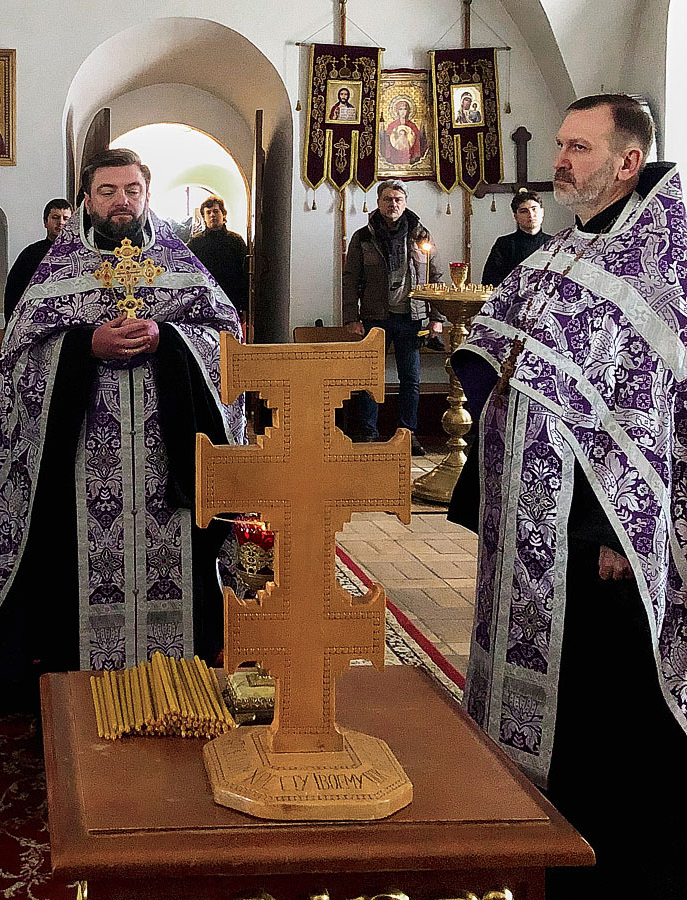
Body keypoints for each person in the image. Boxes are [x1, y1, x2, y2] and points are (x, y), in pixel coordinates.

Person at [447, 94, 687, 897]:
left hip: (601, 539)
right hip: (529, 522)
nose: (560, 159)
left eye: (579, 147)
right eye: (560, 143)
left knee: (601, 710)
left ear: (628, 160)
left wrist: (624, 530)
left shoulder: (666, 260)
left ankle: (606, 859)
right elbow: (497, 352)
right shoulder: (562, 250)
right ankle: (526, 830)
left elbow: (662, 410)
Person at [0, 148, 245, 676]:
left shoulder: (180, 265)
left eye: (132, 190)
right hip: (80, 461)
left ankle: (175, 677)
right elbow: (19, 358)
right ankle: (79, 684)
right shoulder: (58, 272)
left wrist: (171, 338)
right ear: (87, 199)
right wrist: (84, 346)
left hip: (168, 459)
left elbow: (227, 341)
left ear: (147, 194)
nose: (122, 201)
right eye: (108, 191)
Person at [342, 179, 442, 454]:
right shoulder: (363, 237)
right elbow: (350, 279)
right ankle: (368, 432)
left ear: (405, 203)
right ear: (378, 202)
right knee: (370, 377)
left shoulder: (420, 234)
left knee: (410, 378)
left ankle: (407, 434)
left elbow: (434, 275)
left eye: (398, 199)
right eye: (387, 199)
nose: (393, 204)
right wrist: (351, 317)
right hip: (375, 316)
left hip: (411, 317)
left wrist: (437, 317)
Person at [3, 198, 72, 321]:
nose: (61, 222)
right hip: (36, 320)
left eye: (66, 218)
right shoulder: (30, 254)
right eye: (55, 217)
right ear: (45, 222)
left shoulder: (78, 253)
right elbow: (13, 291)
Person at [187, 195, 249, 322]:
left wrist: (244, 306)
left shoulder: (236, 241)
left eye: (216, 211)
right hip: (206, 301)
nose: (212, 215)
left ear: (223, 214)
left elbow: (245, 275)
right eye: (208, 212)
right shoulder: (195, 243)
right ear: (204, 217)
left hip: (232, 299)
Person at [480, 189, 551, 286]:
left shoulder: (553, 243)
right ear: (516, 217)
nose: (530, 215)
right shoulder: (504, 244)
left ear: (542, 212)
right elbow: (489, 281)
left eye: (534, 209)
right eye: (524, 211)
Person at [381, 97, 424, 166]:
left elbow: (416, 142)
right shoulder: (392, 126)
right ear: (397, 111)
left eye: (405, 109)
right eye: (400, 109)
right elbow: (388, 142)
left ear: (408, 111)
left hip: (409, 156)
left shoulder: (412, 126)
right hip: (395, 156)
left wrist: (415, 156)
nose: (403, 111)